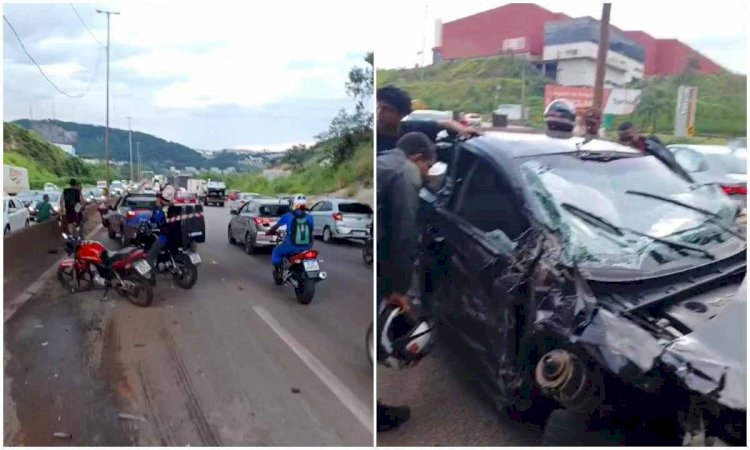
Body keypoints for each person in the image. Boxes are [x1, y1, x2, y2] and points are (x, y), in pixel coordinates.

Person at [376, 131, 437, 432]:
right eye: (428, 167)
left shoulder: (385, 162)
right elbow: (404, 235)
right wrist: (398, 289)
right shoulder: (406, 173)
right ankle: (376, 416)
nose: (426, 175)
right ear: (417, 158)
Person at [376, 85, 480, 155]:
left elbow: (446, 124)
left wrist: (463, 129)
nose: (380, 113)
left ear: (402, 114)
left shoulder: (411, 129)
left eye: (387, 110)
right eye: (378, 108)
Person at [267, 198, 314, 278]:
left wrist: (269, 232)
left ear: (294, 205)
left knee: (276, 251)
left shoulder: (288, 216)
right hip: (307, 246)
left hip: (291, 246)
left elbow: (276, 227)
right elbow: (311, 230)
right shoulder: (310, 217)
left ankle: (278, 273)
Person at [145, 184, 175, 269]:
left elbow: (155, 221)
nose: (156, 200)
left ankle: (150, 278)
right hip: (175, 236)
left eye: (158, 198)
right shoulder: (172, 208)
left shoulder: (161, 210)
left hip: (165, 237)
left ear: (162, 199)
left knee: (149, 256)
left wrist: (148, 224)